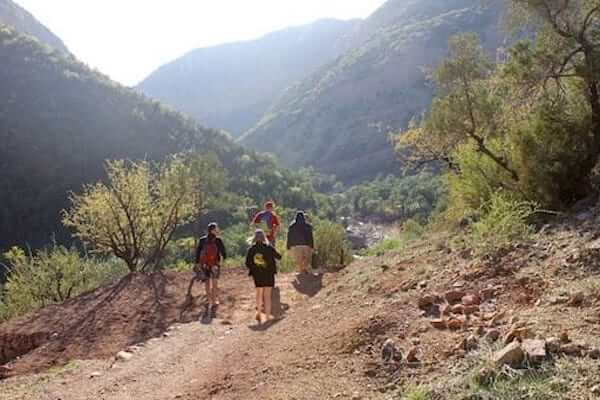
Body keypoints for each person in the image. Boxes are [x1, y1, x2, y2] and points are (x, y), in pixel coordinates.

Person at [246, 229, 281, 324]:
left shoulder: (251, 249)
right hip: (269, 274)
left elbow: (247, 263)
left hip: (257, 275)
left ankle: (259, 314)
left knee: (258, 294)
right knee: (267, 296)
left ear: (254, 238)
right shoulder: (268, 248)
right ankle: (268, 317)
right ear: (263, 237)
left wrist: (255, 269)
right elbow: (279, 256)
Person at [195, 222, 227, 307]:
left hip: (205, 265)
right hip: (215, 264)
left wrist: (198, 263)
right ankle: (214, 300)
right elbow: (223, 252)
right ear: (213, 230)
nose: (218, 230)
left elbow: (198, 252)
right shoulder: (218, 240)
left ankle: (208, 300)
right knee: (215, 282)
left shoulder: (202, 240)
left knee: (207, 282)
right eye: (217, 228)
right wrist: (222, 260)